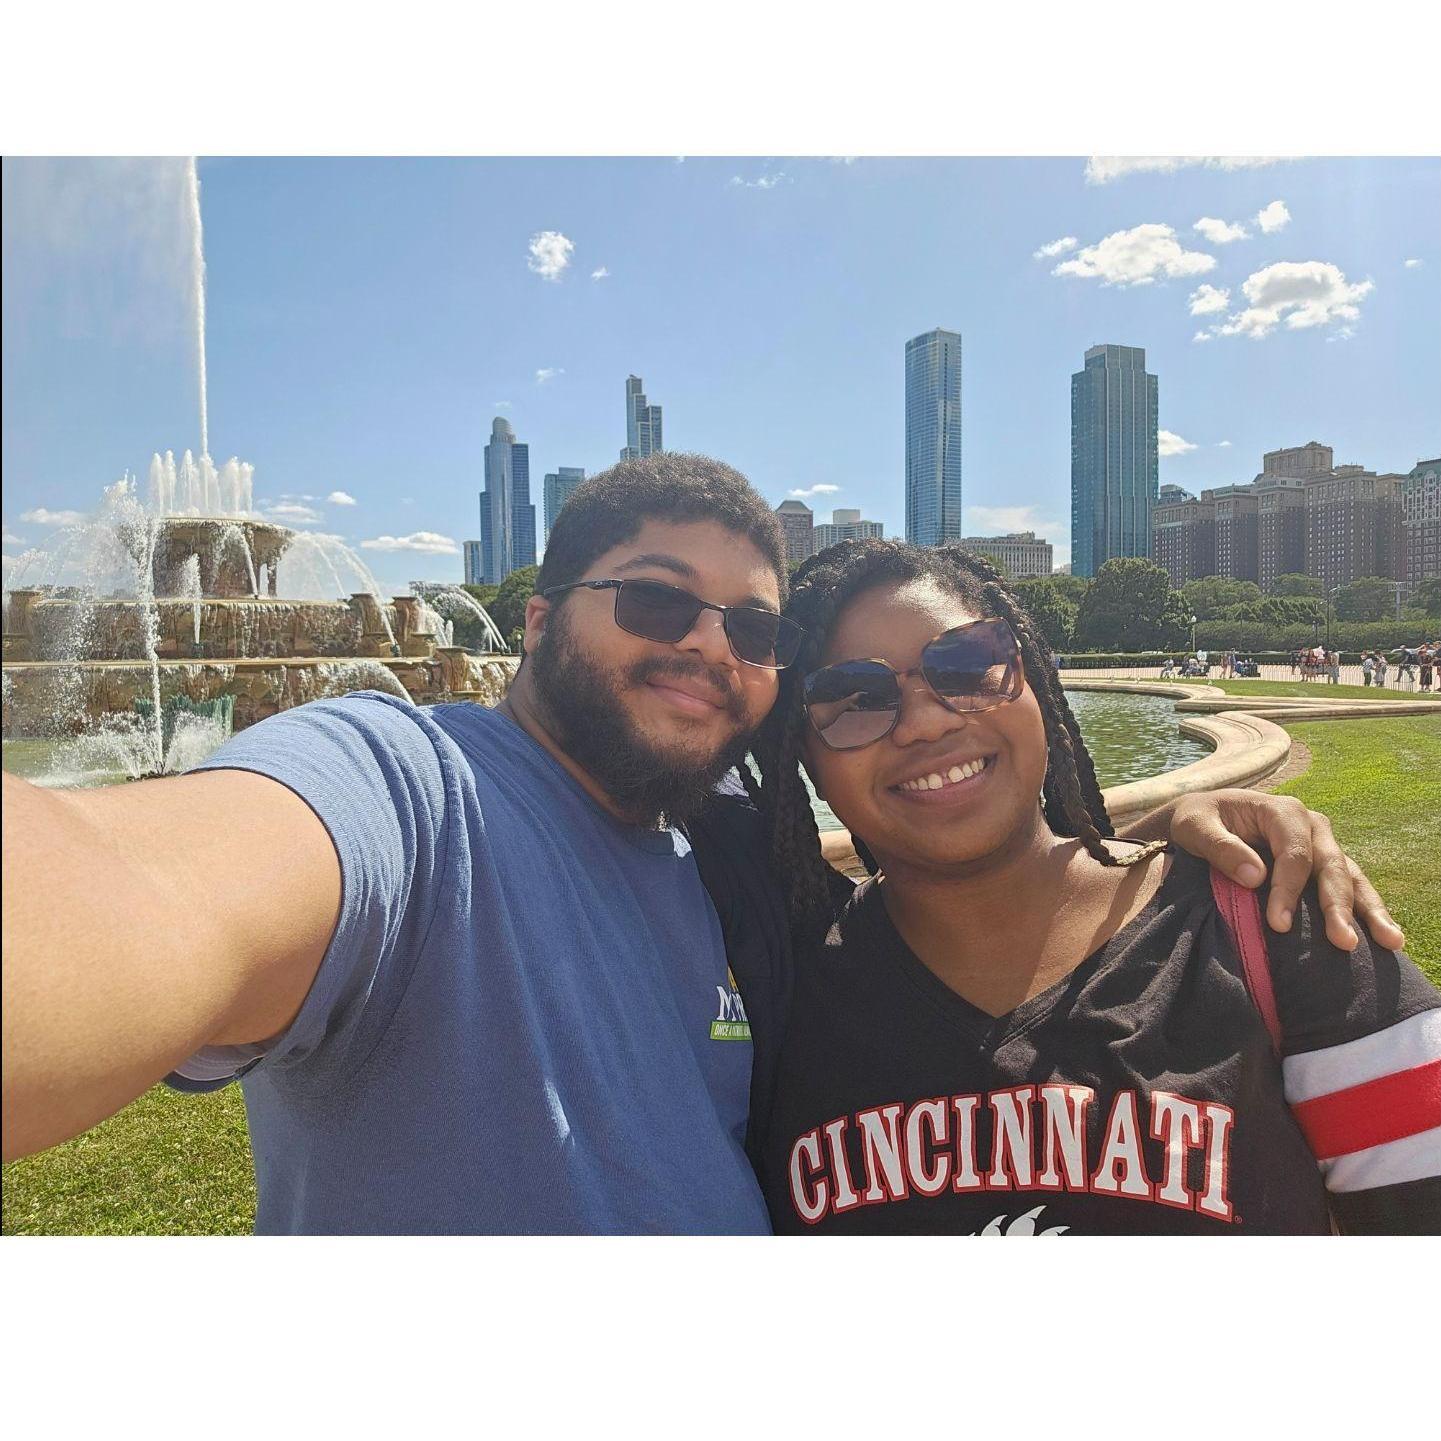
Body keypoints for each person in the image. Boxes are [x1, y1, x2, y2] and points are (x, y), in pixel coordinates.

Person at [0, 456, 1404, 1234]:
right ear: (540, 620)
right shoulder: (405, 787)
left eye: (750, 630)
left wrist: (1159, 834)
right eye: (656, 605)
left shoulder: (728, 878)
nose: (705, 650)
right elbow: (134, 893)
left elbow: (944, 836)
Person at [746, 540, 1441, 1234]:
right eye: (856, 698)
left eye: (964, 663)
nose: (926, 719)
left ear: (1032, 677)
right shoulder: (778, 996)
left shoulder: (1284, 928)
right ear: (801, 756)